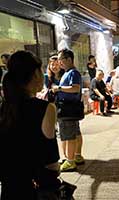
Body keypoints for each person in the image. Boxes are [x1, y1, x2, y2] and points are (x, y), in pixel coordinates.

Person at [0, 51, 60, 199]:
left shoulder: (4, 108)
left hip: (9, 189)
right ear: (34, 74)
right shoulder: (45, 108)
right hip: (37, 190)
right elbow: (51, 162)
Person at [52, 49, 84, 172]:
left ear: (69, 59)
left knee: (69, 136)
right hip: (70, 108)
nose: (59, 62)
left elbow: (75, 88)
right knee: (74, 133)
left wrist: (58, 88)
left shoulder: (73, 73)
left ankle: (70, 161)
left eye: (61, 59)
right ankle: (75, 156)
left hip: (68, 108)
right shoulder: (68, 72)